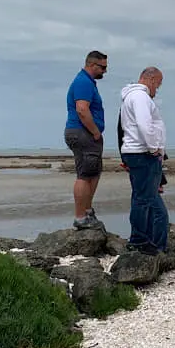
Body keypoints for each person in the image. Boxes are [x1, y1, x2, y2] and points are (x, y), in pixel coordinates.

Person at [119, 67, 168, 255]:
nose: (158, 89)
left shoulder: (132, 97)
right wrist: (154, 148)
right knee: (144, 200)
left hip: (137, 152)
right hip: (142, 153)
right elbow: (144, 124)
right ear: (152, 79)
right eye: (159, 84)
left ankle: (143, 239)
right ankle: (140, 240)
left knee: (142, 198)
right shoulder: (139, 97)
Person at [64, 50, 107, 230]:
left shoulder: (88, 82)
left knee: (93, 172)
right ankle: (81, 217)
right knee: (84, 174)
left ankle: (87, 212)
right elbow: (82, 109)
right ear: (91, 64)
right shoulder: (83, 82)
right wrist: (95, 132)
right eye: (102, 67)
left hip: (83, 133)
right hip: (83, 133)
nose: (105, 71)